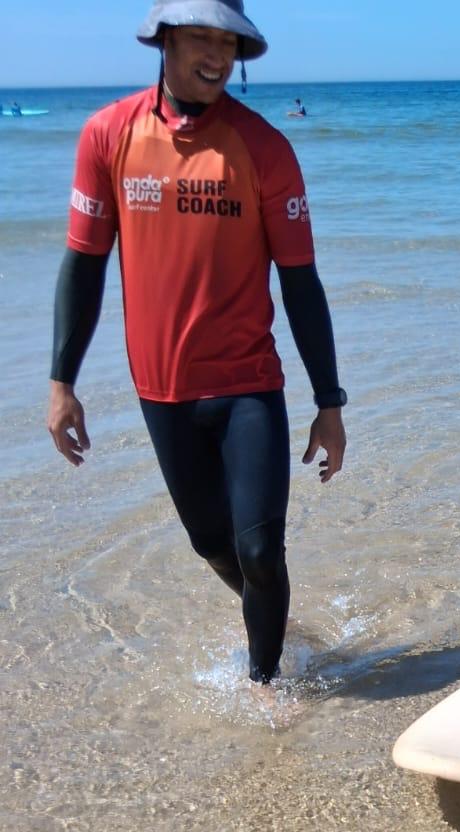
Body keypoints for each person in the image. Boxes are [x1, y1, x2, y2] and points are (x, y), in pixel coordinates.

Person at [46, 0, 347, 689]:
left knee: (262, 551)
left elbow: (301, 283)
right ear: (167, 39)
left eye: (228, 40)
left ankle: (265, 688)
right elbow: (85, 263)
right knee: (214, 545)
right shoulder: (108, 136)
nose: (216, 53)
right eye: (201, 37)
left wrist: (329, 403)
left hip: (248, 385)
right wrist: (61, 382)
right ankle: (271, 620)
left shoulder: (265, 150)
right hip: (164, 392)